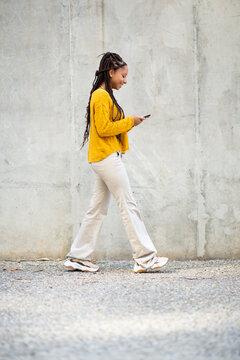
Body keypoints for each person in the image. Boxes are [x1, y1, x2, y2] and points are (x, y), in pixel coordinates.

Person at [64, 52, 168, 273]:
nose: (125, 80)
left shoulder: (103, 95)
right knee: (128, 205)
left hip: (103, 157)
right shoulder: (101, 96)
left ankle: (78, 257)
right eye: (123, 75)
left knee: (96, 209)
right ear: (111, 72)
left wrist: (130, 121)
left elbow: (107, 126)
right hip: (106, 157)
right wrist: (130, 121)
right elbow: (103, 129)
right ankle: (145, 258)